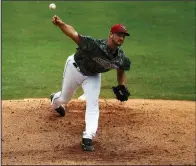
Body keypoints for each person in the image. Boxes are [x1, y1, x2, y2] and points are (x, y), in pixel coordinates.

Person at [50, 15, 131, 152]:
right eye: (119, 35)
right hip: (75, 69)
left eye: (123, 36)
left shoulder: (121, 57)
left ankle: (88, 136)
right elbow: (74, 34)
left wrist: (121, 85)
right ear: (111, 35)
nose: (121, 38)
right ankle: (54, 101)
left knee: (93, 104)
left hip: (93, 76)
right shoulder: (94, 45)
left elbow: (121, 70)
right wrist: (60, 24)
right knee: (65, 98)